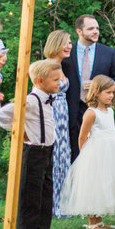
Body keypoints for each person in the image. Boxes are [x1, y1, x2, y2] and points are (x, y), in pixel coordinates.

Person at [58, 75, 115, 229]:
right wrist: (86, 156)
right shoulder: (91, 113)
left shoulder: (109, 111)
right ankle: (92, 223)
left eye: (113, 92)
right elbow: (82, 136)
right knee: (93, 186)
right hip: (95, 154)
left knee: (103, 185)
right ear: (97, 92)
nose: (111, 96)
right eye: (108, 92)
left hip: (110, 153)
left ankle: (99, 221)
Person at [0, 60, 65, 229]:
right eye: (55, 80)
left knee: (45, 201)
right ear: (40, 81)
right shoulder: (31, 100)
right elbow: (2, 116)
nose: (59, 83)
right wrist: (20, 131)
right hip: (33, 154)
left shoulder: (48, 98)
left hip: (47, 153)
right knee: (30, 202)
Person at [61, 14, 115, 160]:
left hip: (98, 110)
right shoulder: (67, 52)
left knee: (99, 157)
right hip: (72, 110)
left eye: (97, 28)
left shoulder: (109, 53)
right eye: (90, 29)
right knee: (74, 154)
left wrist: (100, 86)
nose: (96, 31)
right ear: (79, 31)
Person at [43, 30, 73, 217]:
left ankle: (64, 203)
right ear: (56, 44)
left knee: (63, 157)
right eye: (66, 43)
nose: (69, 46)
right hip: (51, 114)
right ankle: (52, 206)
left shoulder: (62, 66)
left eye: (70, 43)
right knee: (54, 159)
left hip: (63, 115)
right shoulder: (46, 67)